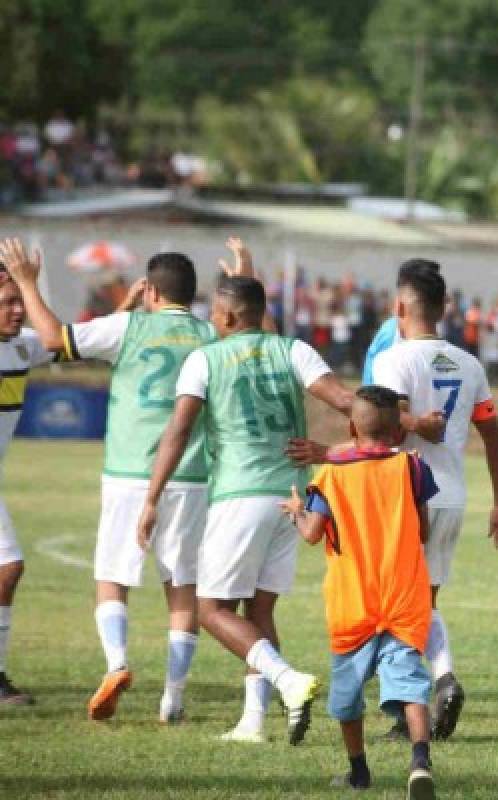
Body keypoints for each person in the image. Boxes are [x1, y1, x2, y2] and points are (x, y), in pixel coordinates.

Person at [2, 238, 247, 723]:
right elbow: (251, 328)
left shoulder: (126, 327)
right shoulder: (207, 333)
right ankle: (172, 697)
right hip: (191, 475)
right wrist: (246, 277)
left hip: (129, 473)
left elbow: (54, 340)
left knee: (111, 579)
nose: (14, 310)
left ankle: (116, 663)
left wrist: (31, 283)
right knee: (182, 587)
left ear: (151, 292)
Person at [137, 273, 356, 745]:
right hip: (293, 500)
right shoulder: (293, 350)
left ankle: (288, 681)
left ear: (231, 315)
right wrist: (343, 448)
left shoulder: (205, 359)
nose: (211, 320)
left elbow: (177, 431)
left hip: (240, 496)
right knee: (259, 612)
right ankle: (253, 722)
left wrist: (152, 497)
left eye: (214, 313)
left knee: (211, 609)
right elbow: (346, 402)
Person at [367, 260, 498, 741]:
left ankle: (417, 701)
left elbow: (383, 424)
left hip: (409, 494)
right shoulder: (468, 363)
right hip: (452, 496)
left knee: (395, 606)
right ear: (444, 308)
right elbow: (493, 434)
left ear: (399, 307)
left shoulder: (394, 359)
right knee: (422, 601)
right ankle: (437, 682)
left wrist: (411, 425)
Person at [282, 386, 439, 797]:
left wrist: (298, 513)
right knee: (410, 684)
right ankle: (420, 762)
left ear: (352, 427)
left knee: (348, 696)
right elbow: (423, 531)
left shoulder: (331, 475)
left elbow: (313, 535)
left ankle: (359, 772)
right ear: (400, 433)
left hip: (352, 601)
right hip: (404, 597)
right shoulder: (412, 468)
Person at [0, 255, 57, 705]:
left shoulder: (22, 346)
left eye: (19, 302)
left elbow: (68, 341)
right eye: (7, 302)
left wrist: (126, 313)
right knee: (8, 566)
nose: (17, 311)